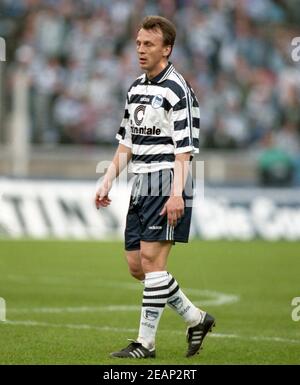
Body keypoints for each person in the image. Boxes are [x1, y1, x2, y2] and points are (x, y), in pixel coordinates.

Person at [95, 15, 215, 359]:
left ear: (167, 49)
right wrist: (106, 181)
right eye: (138, 43)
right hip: (139, 185)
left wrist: (177, 192)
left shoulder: (178, 90)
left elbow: (185, 150)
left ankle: (144, 344)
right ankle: (196, 318)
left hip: (166, 182)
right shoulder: (136, 88)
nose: (141, 50)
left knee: (152, 262)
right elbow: (126, 145)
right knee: (137, 266)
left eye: (149, 44)